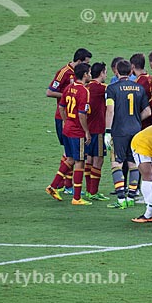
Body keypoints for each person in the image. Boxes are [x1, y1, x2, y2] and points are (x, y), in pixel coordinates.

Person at [104, 60, 151, 209]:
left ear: (117, 71)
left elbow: (110, 110)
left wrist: (107, 130)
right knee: (133, 163)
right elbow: (148, 111)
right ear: (130, 72)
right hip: (136, 131)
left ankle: (120, 199)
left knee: (116, 163)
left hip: (119, 131)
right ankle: (131, 197)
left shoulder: (112, 89)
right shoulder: (139, 88)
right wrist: (136, 119)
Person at [46, 48, 92, 194]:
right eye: (86, 64)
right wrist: (71, 95)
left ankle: (64, 185)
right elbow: (49, 92)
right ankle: (68, 187)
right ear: (79, 62)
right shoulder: (64, 72)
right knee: (71, 155)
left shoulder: (76, 82)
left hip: (70, 119)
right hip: (65, 119)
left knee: (70, 154)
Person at [85, 62, 110, 201]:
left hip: (87, 129)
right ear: (101, 73)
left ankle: (89, 191)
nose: (106, 75)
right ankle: (93, 192)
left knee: (89, 159)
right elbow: (114, 89)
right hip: (98, 130)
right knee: (98, 160)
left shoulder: (86, 86)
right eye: (105, 72)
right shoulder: (100, 87)